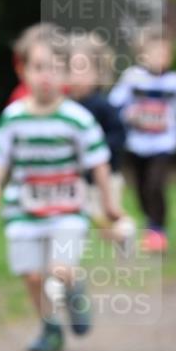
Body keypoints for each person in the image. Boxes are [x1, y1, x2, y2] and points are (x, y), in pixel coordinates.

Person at [0, 25, 121, 351]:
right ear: (22, 69)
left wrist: (109, 204)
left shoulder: (78, 119)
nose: (47, 76)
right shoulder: (12, 118)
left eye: (57, 68)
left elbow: (99, 162)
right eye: (39, 67)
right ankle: (50, 326)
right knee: (32, 277)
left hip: (68, 211)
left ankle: (73, 290)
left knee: (60, 268)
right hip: (23, 211)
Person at [109, 28, 176, 252]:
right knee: (140, 187)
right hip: (137, 143)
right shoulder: (133, 78)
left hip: (163, 142)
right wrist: (125, 117)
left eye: (164, 53)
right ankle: (150, 223)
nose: (160, 58)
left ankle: (158, 230)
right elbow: (114, 104)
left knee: (155, 184)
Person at [67, 31, 136, 248]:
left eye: (83, 70)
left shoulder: (103, 106)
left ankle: (125, 231)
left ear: (99, 73)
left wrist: (99, 153)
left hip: (106, 179)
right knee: (80, 221)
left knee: (106, 219)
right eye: (71, 69)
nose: (76, 76)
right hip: (77, 179)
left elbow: (119, 135)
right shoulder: (66, 107)